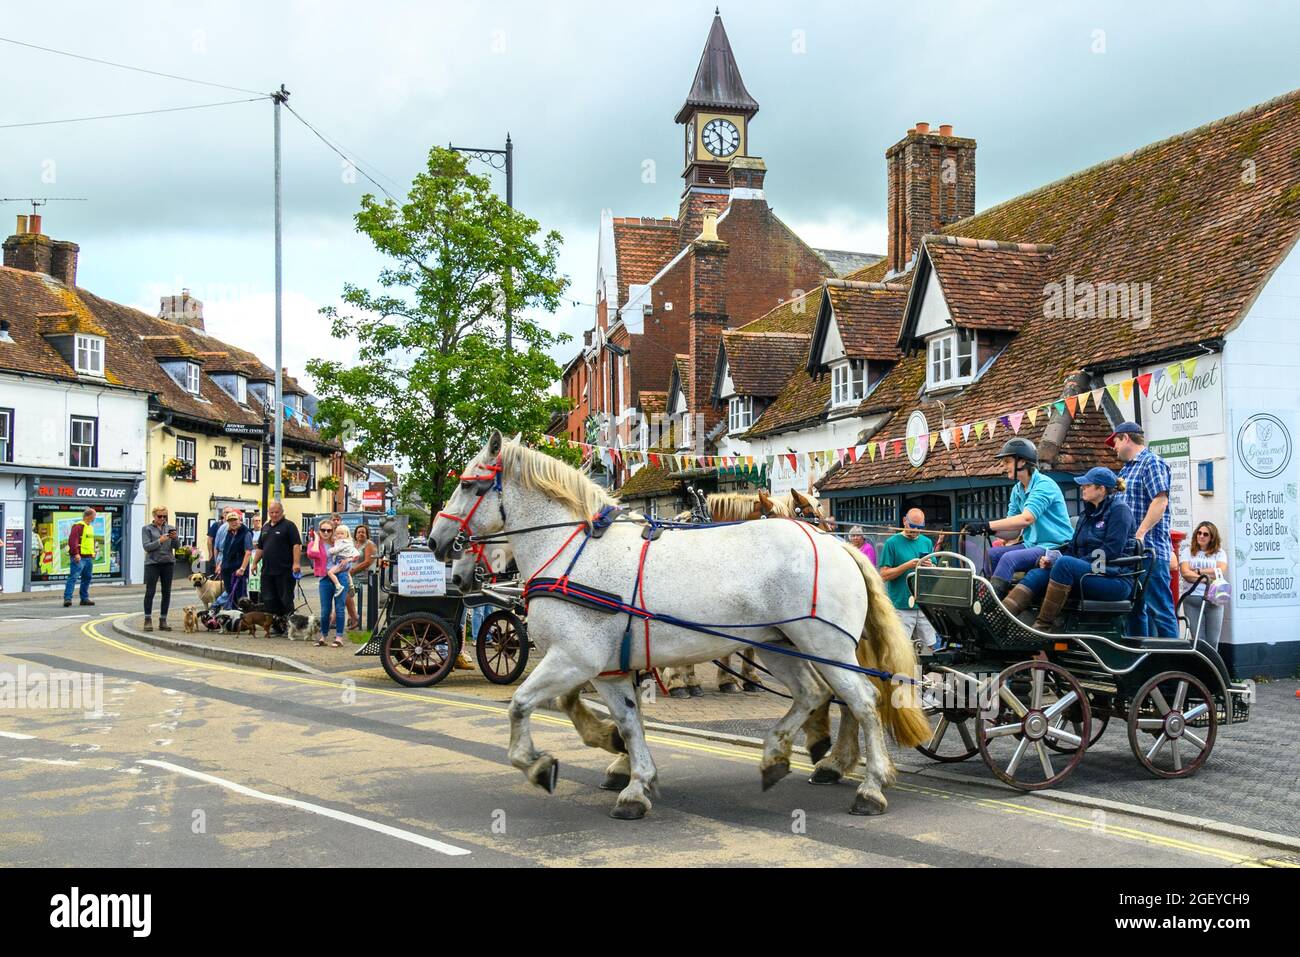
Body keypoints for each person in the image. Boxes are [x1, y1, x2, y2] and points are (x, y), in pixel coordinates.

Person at [1002, 467, 1136, 632]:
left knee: (1066, 564)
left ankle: (1041, 629)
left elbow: (1111, 551)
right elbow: (1072, 549)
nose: (1082, 488)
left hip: (1113, 577)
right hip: (1089, 571)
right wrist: (1051, 560)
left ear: (1101, 489)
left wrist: (1074, 563)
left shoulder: (1120, 511)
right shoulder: (1086, 514)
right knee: (1038, 573)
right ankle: (1001, 618)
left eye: (1087, 485)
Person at [964, 438, 1074, 597]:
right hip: (1032, 544)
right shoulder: (1017, 490)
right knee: (992, 554)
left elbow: (1026, 519)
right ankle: (993, 597)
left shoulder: (1044, 485)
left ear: (1022, 462)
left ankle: (992, 605)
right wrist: (987, 530)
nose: (1004, 466)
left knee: (1009, 558)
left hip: (1055, 546)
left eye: (1007, 461)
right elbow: (1014, 532)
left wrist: (987, 524)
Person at [1110, 422, 1177, 637]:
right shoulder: (1126, 469)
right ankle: (1140, 662)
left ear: (1126, 438)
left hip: (1150, 551)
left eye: (1115, 442)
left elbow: (1160, 501)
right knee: (1134, 610)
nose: (1114, 447)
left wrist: (1140, 533)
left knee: (1160, 609)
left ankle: (1174, 664)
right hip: (1130, 553)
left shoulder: (1152, 463)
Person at [877, 508, 938, 652]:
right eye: (912, 526)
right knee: (901, 649)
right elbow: (883, 575)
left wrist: (931, 566)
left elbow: (935, 572)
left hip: (923, 604)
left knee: (928, 649)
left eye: (920, 527)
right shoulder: (892, 543)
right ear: (905, 521)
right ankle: (902, 674)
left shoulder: (927, 542)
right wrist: (906, 566)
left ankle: (922, 674)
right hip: (901, 605)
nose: (916, 530)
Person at [249, 500, 303, 637]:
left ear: (282, 512)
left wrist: (296, 563)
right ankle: (277, 625)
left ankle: (290, 626)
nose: (274, 515)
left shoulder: (289, 526)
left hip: (284, 570)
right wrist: (255, 563)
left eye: (276, 512)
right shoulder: (266, 527)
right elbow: (261, 547)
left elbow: (296, 545)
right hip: (267, 571)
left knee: (285, 599)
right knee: (269, 599)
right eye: (271, 512)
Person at [1179, 521, 1229, 648]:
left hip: (1215, 599)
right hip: (1192, 599)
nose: (1201, 536)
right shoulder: (1187, 552)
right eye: (1199, 533)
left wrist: (1198, 572)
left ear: (1212, 537)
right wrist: (1207, 578)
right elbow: (1185, 573)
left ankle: (1212, 667)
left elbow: (1220, 570)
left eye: (1205, 534)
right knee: (1198, 641)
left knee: (1213, 641)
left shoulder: (1220, 553)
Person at [141, 506, 178, 632]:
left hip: (168, 562)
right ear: (154, 516)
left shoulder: (170, 528)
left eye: (164, 516)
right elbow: (147, 547)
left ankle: (163, 620)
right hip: (153, 563)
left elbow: (176, 547)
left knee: (166, 592)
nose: (162, 519)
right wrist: (160, 541)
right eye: (159, 516)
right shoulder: (147, 529)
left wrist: (175, 538)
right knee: (150, 591)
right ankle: (147, 619)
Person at [305, 518, 337, 644]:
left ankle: (339, 636)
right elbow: (313, 554)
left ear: (332, 531)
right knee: (325, 610)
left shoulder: (337, 543)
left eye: (329, 530)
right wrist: (317, 539)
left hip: (339, 576)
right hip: (324, 577)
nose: (326, 532)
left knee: (339, 608)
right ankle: (324, 635)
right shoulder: (314, 544)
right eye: (323, 530)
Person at [62, 507, 97, 608]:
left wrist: (93, 552)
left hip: (88, 557)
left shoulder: (89, 527)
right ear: (89, 516)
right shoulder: (78, 526)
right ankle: (67, 598)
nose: (95, 517)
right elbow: (73, 541)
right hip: (79, 557)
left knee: (87, 578)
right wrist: (76, 553)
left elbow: (89, 542)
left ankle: (84, 599)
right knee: (73, 577)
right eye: (94, 515)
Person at [221, 511, 256, 607]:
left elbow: (248, 552)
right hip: (227, 569)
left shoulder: (246, 533)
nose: (233, 522)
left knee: (241, 597)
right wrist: (221, 565)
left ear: (240, 520)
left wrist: (242, 569)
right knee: (230, 595)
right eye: (230, 521)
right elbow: (226, 551)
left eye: (235, 520)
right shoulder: (229, 533)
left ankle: (243, 618)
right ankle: (234, 618)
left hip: (238, 570)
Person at [348, 524, 378, 630]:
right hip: (351, 574)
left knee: (344, 592)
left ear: (367, 534)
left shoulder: (369, 544)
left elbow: (367, 562)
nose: (361, 534)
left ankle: (354, 617)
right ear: (355, 535)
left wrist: (352, 572)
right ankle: (351, 617)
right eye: (358, 532)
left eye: (363, 532)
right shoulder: (354, 544)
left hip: (363, 576)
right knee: (337, 590)